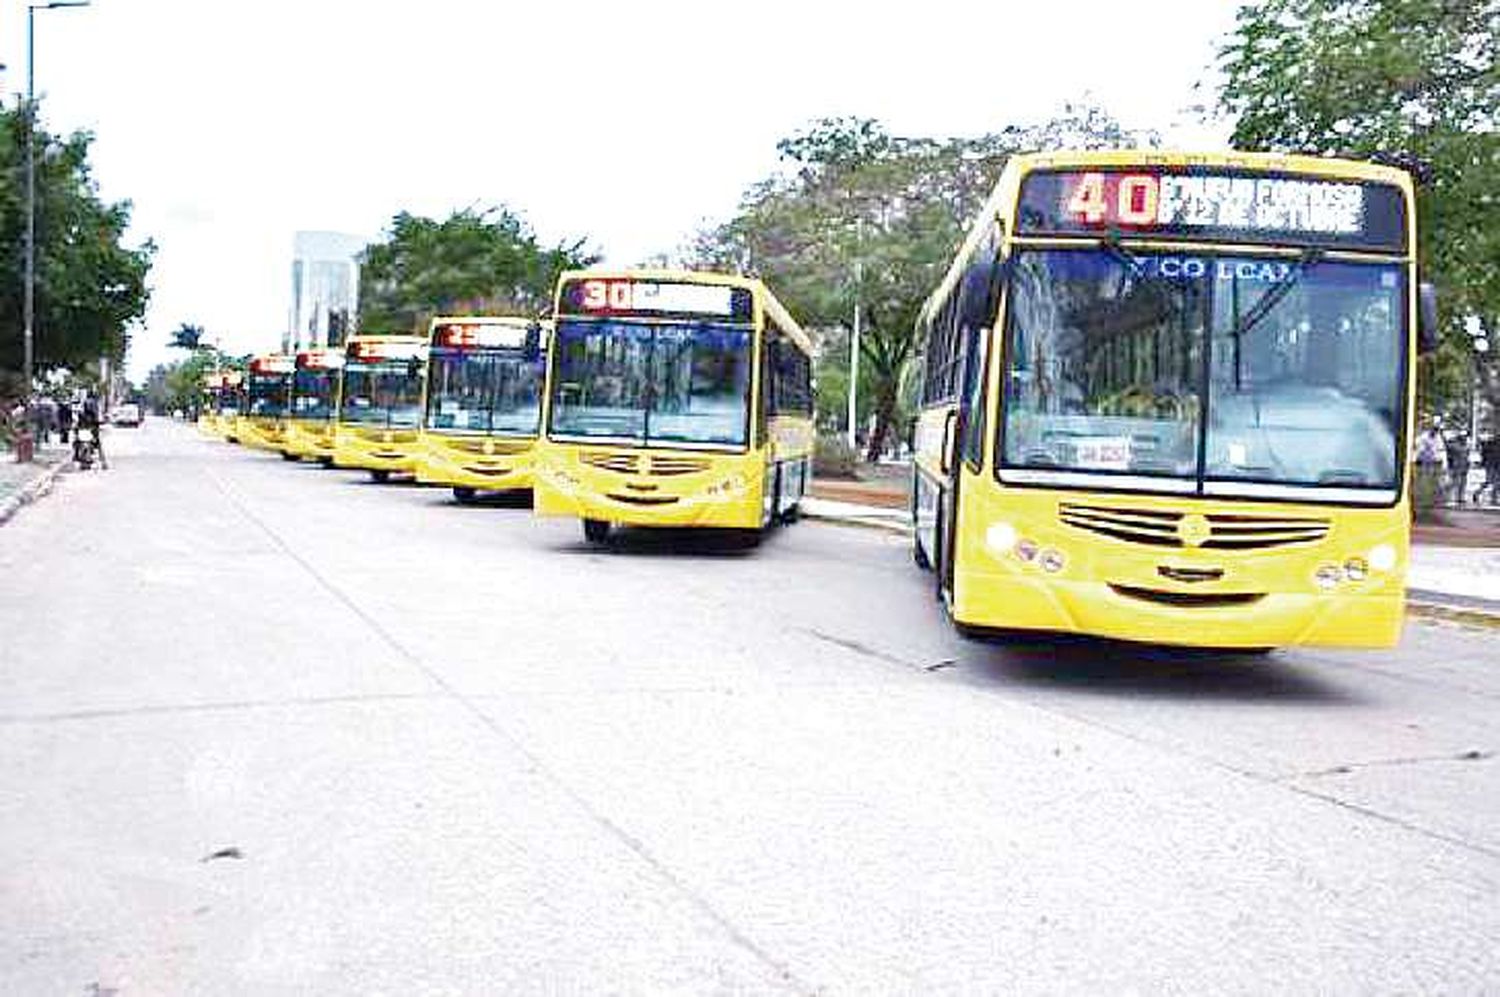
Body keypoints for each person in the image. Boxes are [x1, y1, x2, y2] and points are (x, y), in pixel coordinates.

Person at [75, 393, 107, 469]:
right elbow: (97, 420)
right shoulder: (93, 410)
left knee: (78, 443)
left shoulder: (82, 412)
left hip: (86, 430)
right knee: (97, 444)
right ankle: (103, 462)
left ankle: (77, 456)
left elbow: (78, 424)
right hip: (89, 430)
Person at [1445, 431, 1469, 505]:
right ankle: (1448, 497)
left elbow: (1466, 456)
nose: (1465, 438)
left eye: (1465, 437)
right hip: (1455, 466)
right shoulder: (1454, 445)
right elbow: (1449, 453)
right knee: (1454, 483)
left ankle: (1460, 498)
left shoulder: (1465, 446)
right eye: (1463, 437)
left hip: (1464, 466)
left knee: (1463, 483)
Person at [1475, 434, 1500, 506]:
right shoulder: (1490, 446)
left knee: (1493, 482)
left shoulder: (1488, 446)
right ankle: (1492, 498)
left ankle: (1493, 498)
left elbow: (1483, 455)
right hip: (1493, 465)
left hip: (1493, 465)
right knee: (1492, 482)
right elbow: (1485, 455)